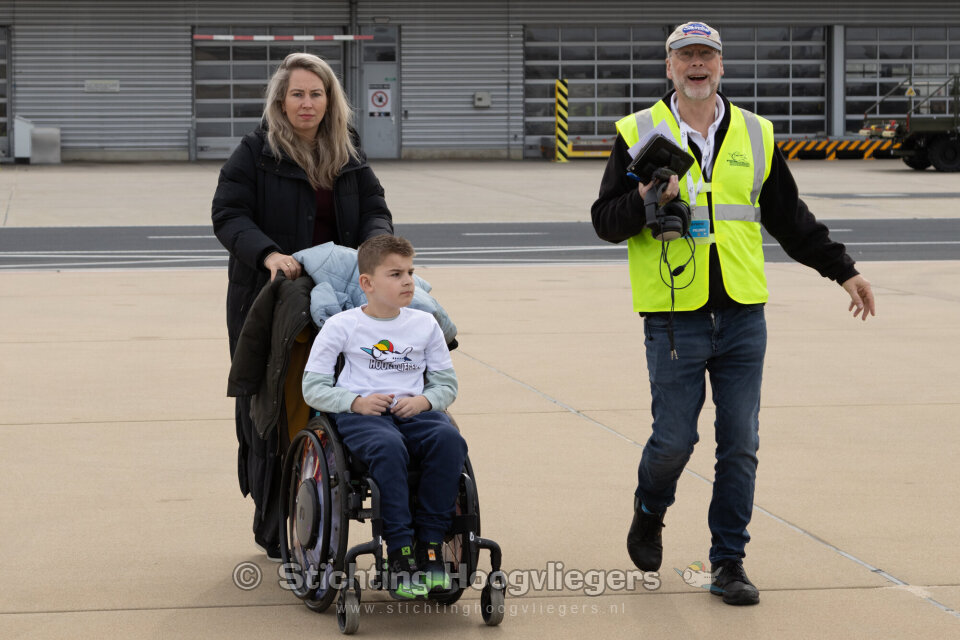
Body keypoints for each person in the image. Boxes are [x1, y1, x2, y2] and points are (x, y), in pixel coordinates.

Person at [591, 21, 876, 606]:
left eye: (707, 55)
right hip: (674, 315)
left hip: (744, 313)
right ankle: (650, 509)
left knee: (740, 443)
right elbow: (604, 222)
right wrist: (645, 198)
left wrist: (843, 269)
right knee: (674, 441)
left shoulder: (755, 132)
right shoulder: (638, 132)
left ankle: (728, 562)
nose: (697, 64)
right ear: (669, 67)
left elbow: (790, 218)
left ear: (721, 66)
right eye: (686, 56)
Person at [212, 52, 393, 561]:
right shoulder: (256, 151)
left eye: (316, 94)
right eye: (297, 94)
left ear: (330, 100)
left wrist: (374, 249)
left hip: (338, 299)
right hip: (270, 301)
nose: (307, 103)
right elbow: (228, 214)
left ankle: (336, 493)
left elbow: (375, 209)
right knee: (274, 410)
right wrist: (269, 254)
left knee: (338, 394)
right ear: (281, 100)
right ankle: (276, 522)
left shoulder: (347, 151)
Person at [302, 235, 465, 600]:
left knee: (450, 440)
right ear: (367, 283)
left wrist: (424, 401)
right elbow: (313, 388)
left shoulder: (425, 325)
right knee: (389, 447)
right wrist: (355, 402)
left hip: (414, 412)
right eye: (395, 274)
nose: (408, 281)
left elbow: (446, 385)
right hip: (362, 415)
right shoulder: (341, 326)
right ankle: (400, 549)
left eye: (410, 272)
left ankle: (431, 546)